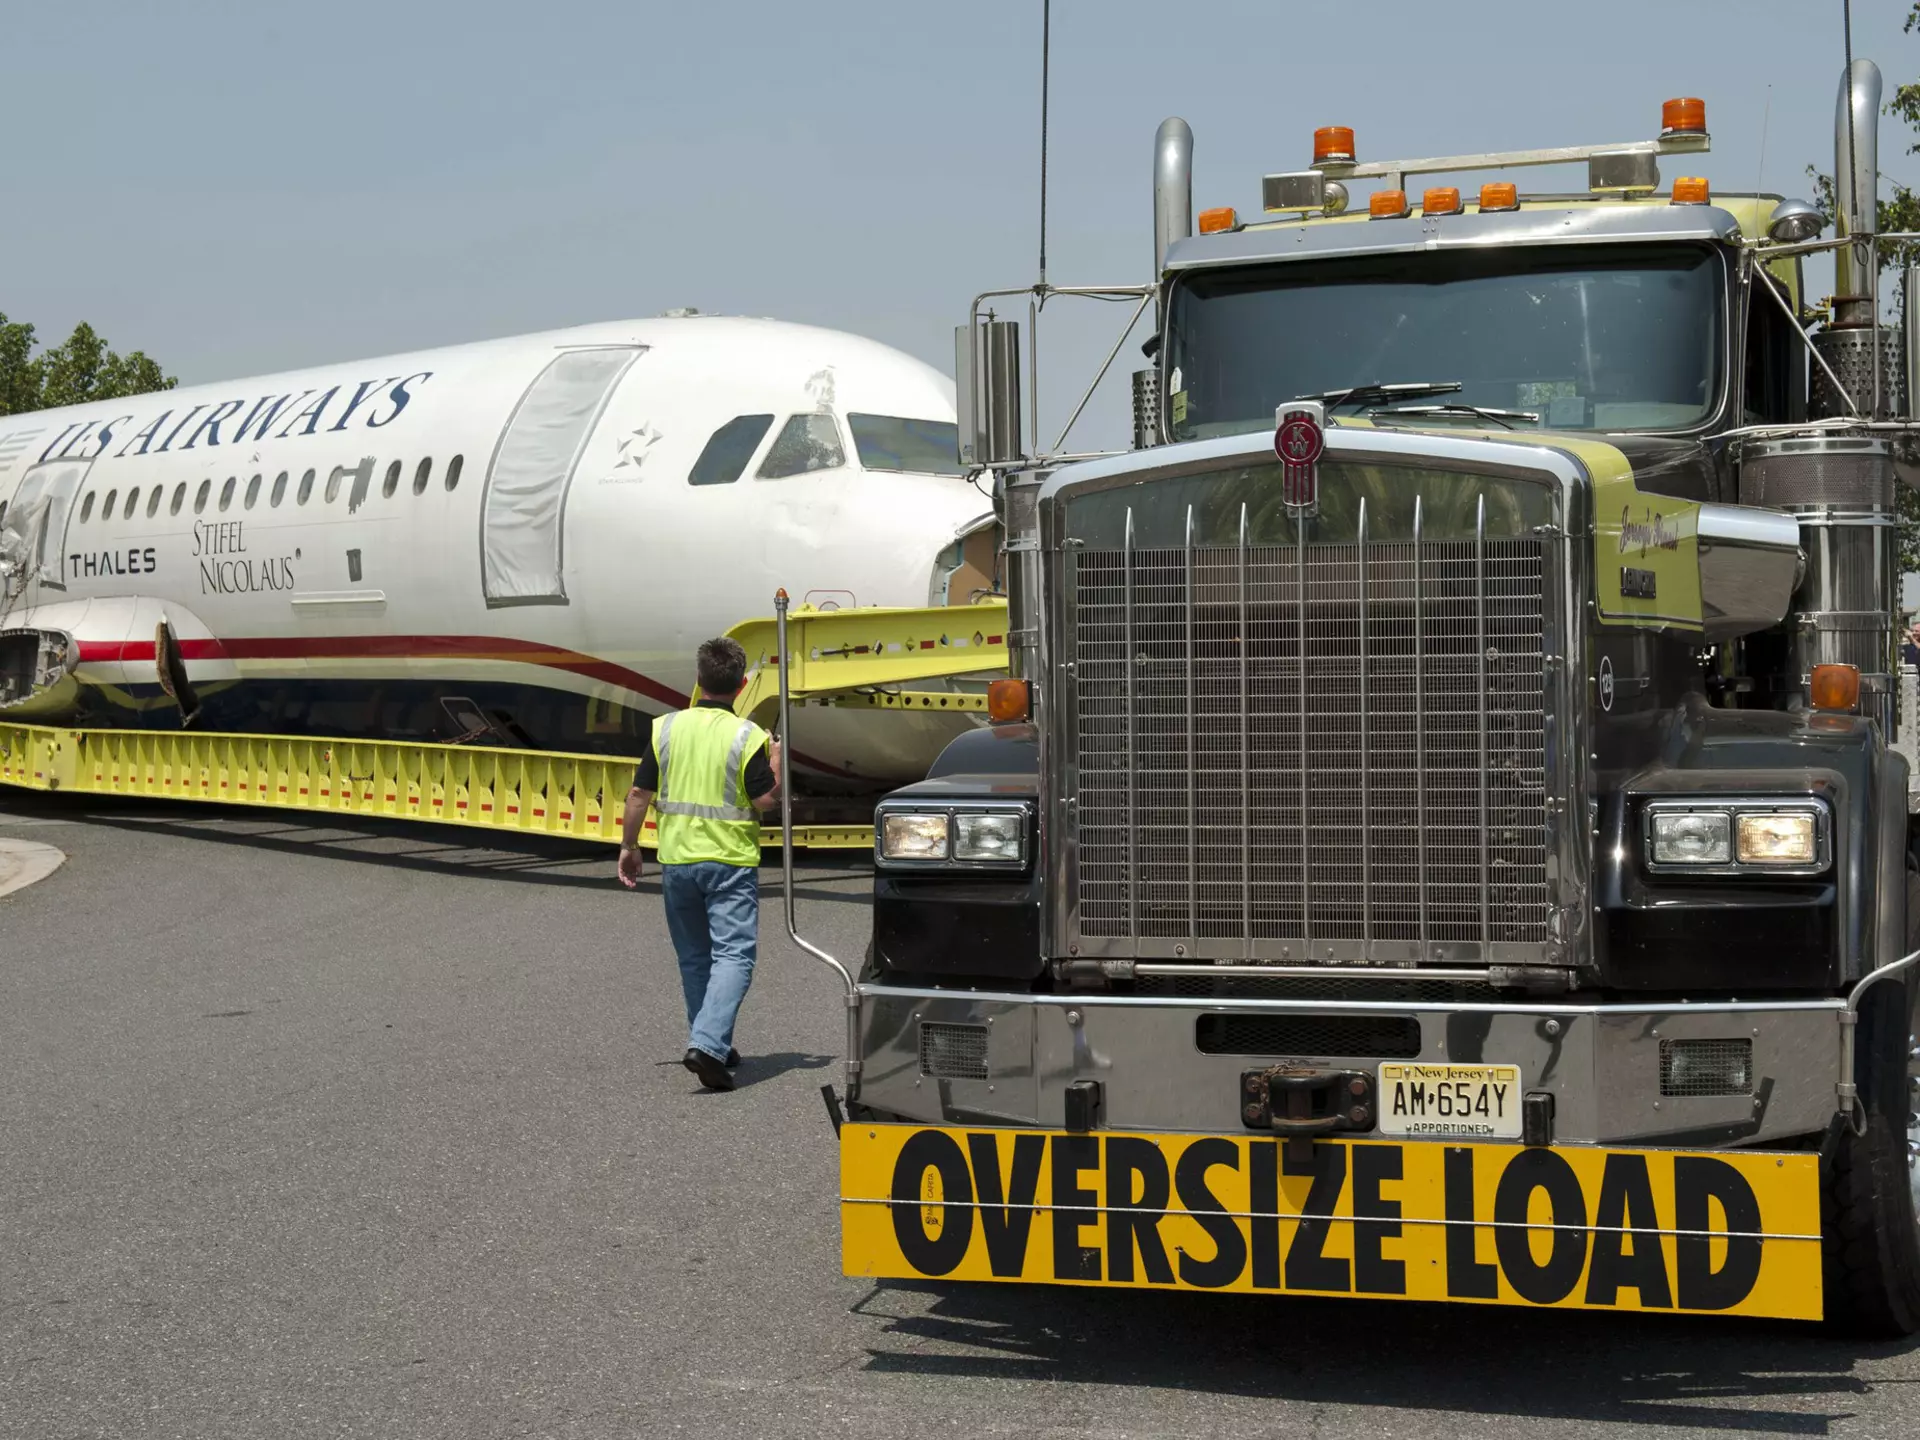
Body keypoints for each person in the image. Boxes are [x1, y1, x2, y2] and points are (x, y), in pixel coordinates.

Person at [617, 637, 782, 1091]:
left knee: (694, 958)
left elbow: (637, 795)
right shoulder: (748, 735)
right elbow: (766, 799)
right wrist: (778, 763)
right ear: (742, 684)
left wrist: (630, 846)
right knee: (735, 956)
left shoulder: (665, 728)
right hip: (728, 860)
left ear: (698, 679)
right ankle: (707, 1045)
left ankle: (710, 1042)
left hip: (677, 862)